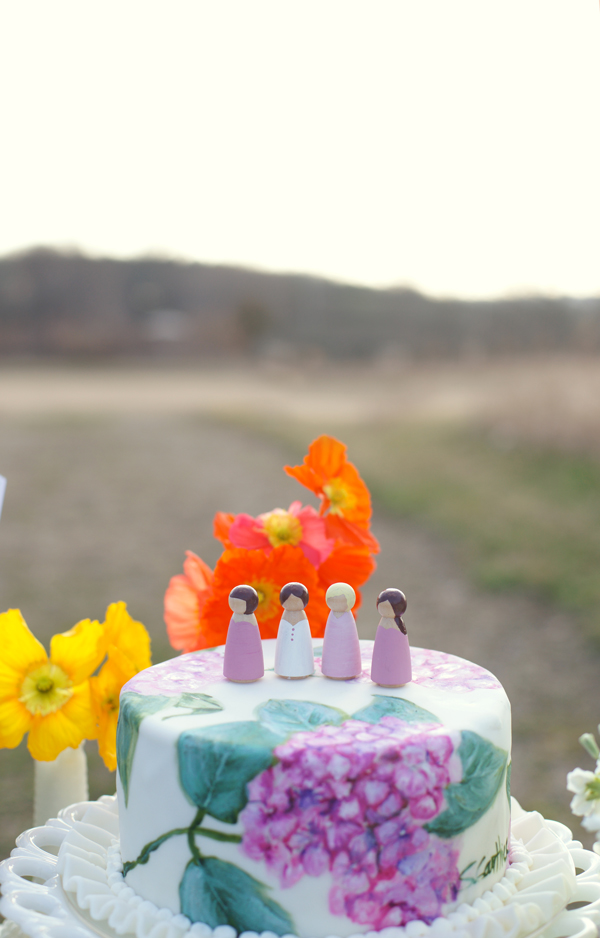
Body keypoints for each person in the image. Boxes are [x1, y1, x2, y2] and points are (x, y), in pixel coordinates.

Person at [223, 584, 264, 682]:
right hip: (233, 670)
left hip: (253, 670)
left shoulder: (249, 620)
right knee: (235, 651)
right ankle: (236, 672)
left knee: (251, 653)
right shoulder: (235, 619)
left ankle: (250, 672)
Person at [370, 588, 411, 687]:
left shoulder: (397, 625)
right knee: (383, 655)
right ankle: (382, 676)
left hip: (399, 674)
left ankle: (396, 677)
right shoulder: (384, 624)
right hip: (381, 673)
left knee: (396, 657)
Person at [321, 582, 362, 680]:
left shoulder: (347, 619)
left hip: (351, 669)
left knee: (347, 647)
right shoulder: (333, 618)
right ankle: (332, 669)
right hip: (330, 669)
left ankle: (349, 669)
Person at [274, 581, 314, 679]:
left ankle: (304, 669)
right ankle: (283, 668)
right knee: (284, 649)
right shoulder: (285, 618)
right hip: (283, 665)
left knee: (303, 649)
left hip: (304, 666)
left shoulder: (302, 620)